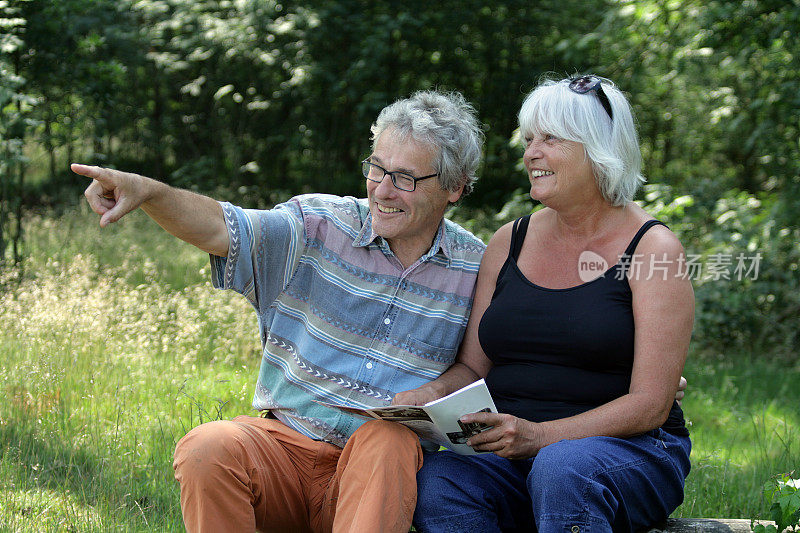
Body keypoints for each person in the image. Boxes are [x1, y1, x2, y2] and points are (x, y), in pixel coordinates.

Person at [72, 90, 486, 533]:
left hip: (377, 469)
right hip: (283, 447)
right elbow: (221, 227)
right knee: (208, 446)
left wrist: (433, 392)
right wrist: (149, 192)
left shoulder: (476, 268)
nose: (381, 190)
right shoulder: (317, 225)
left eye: (404, 178)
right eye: (377, 168)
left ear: (454, 185)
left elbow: (473, 369)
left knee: (388, 440)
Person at [395, 75, 694, 533]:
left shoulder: (653, 249)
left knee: (563, 469)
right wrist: (428, 398)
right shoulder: (508, 242)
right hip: (512, 454)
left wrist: (540, 437)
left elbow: (651, 404)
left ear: (597, 147)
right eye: (529, 139)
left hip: (628, 451)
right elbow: (473, 368)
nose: (531, 152)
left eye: (550, 138)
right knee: (436, 478)